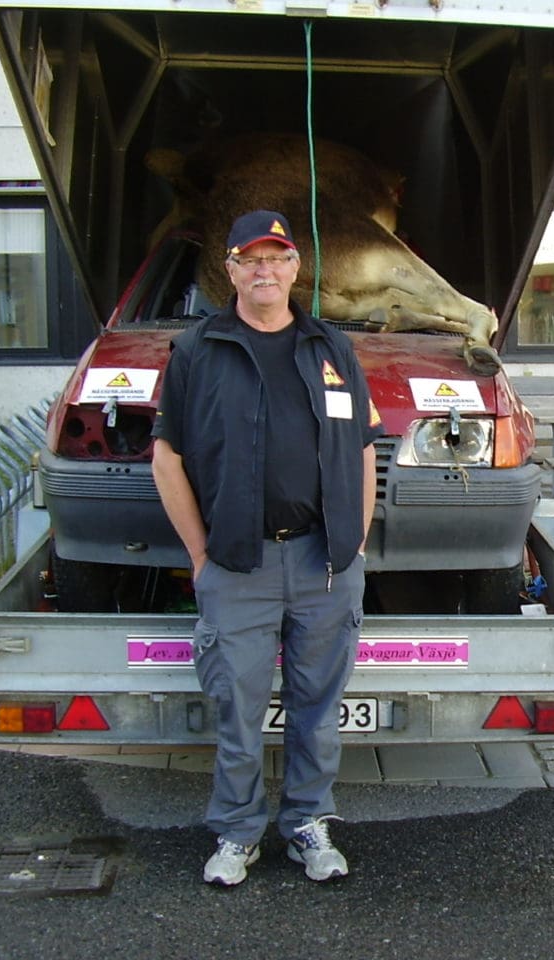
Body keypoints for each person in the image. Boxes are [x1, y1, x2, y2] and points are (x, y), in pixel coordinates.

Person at [151, 209, 383, 886]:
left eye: (276, 257)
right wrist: (199, 556)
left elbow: (365, 452)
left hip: (324, 563)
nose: (264, 270)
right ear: (229, 270)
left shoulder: (332, 348)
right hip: (236, 564)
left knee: (317, 708)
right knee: (237, 707)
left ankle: (309, 823)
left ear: (294, 268)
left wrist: (355, 543)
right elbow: (168, 459)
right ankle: (237, 832)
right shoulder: (198, 350)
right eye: (249, 259)